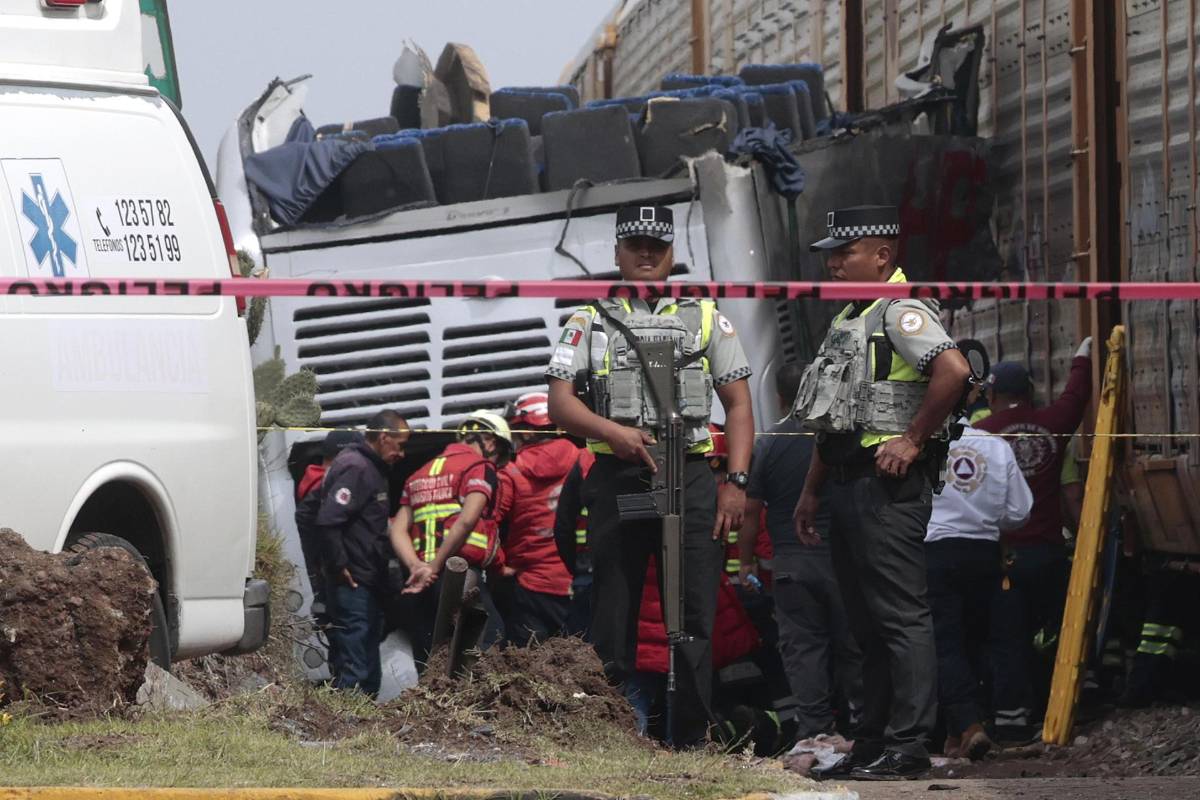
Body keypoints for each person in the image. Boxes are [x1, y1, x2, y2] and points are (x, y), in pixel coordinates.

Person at [545, 203, 756, 748]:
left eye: (656, 246)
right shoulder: (587, 321)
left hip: (692, 475)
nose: (646, 254)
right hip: (619, 477)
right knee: (612, 613)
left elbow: (738, 405)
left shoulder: (706, 316)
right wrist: (612, 433)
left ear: (671, 254)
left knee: (695, 617)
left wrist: (736, 483)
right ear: (617, 252)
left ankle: (691, 740)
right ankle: (608, 738)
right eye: (635, 245)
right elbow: (560, 405)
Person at [792, 205, 971, 780]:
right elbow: (833, 417)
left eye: (845, 253)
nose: (833, 264)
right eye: (830, 256)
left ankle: (909, 744)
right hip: (848, 482)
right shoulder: (853, 317)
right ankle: (871, 743)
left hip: (886, 486)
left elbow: (954, 371)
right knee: (865, 625)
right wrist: (811, 492)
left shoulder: (901, 311)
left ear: (883, 255)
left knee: (899, 619)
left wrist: (913, 439)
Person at [976, 341, 1093, 740]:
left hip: (1002, 557)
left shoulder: (979, 435)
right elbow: (1075, 398)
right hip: (1047, 553)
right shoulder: (1052, 424)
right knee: (1054, 630)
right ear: (1029, 392)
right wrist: (1081, 359)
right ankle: (1059, 703)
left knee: (1007, 636)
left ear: (992, 395)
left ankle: (1012, 715)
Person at [742, 363, 864, 743]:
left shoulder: (768, 443)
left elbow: (751, 511)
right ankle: (865, 726)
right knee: (854, 644)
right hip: (841, 561)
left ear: (779, 397)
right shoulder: (840, 435)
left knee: (803, 650)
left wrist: (745, 562)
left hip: (791, 565)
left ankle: (816, 732)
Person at [926, 413, 1033, 760]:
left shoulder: (921, 443)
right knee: (975, 641)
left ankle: (969, 725)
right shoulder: (996, 446)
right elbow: (1019, 511)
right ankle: (961, 732)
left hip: (934, 553)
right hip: (984, 553)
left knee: (945, 644)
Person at [389, 410, 511, 666]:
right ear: (490, 442)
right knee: (491, 640)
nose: (496, 462)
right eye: (499, 454)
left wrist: (417, 567)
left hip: (422, 582)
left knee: (432, 657)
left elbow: (397, 529)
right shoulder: (478, 467)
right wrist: (435, 566)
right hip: (459, 575)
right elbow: (467, 520)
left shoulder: (419, 474)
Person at [315, 410, 410, 696]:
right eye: (400, 445)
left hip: (368, 581)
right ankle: (348, 716)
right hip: (352, 582)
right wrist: (339, 566)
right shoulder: (356, 468)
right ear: (384, 438)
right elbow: (328, 520)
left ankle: (364, 714)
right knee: (355, 666)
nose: (402, 454)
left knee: (367, 662)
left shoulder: (371, 468)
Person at [494, 391, 578, 645]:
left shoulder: (510, 472)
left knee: (528, 661)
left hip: (531, 585)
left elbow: (489, 523)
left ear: (528, 432)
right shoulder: (582, 459)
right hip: (579, 580)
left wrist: (498, 565)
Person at [295, 429, 364, 668]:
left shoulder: (313, 486)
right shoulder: (328, 490)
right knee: (351, 651)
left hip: (325, 583)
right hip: (339, 582)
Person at [554, 447, 596, 639]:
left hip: (587, 569)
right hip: (638, 574)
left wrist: (576, 566)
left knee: (581, 641)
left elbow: (563, 524)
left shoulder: (584, 460)